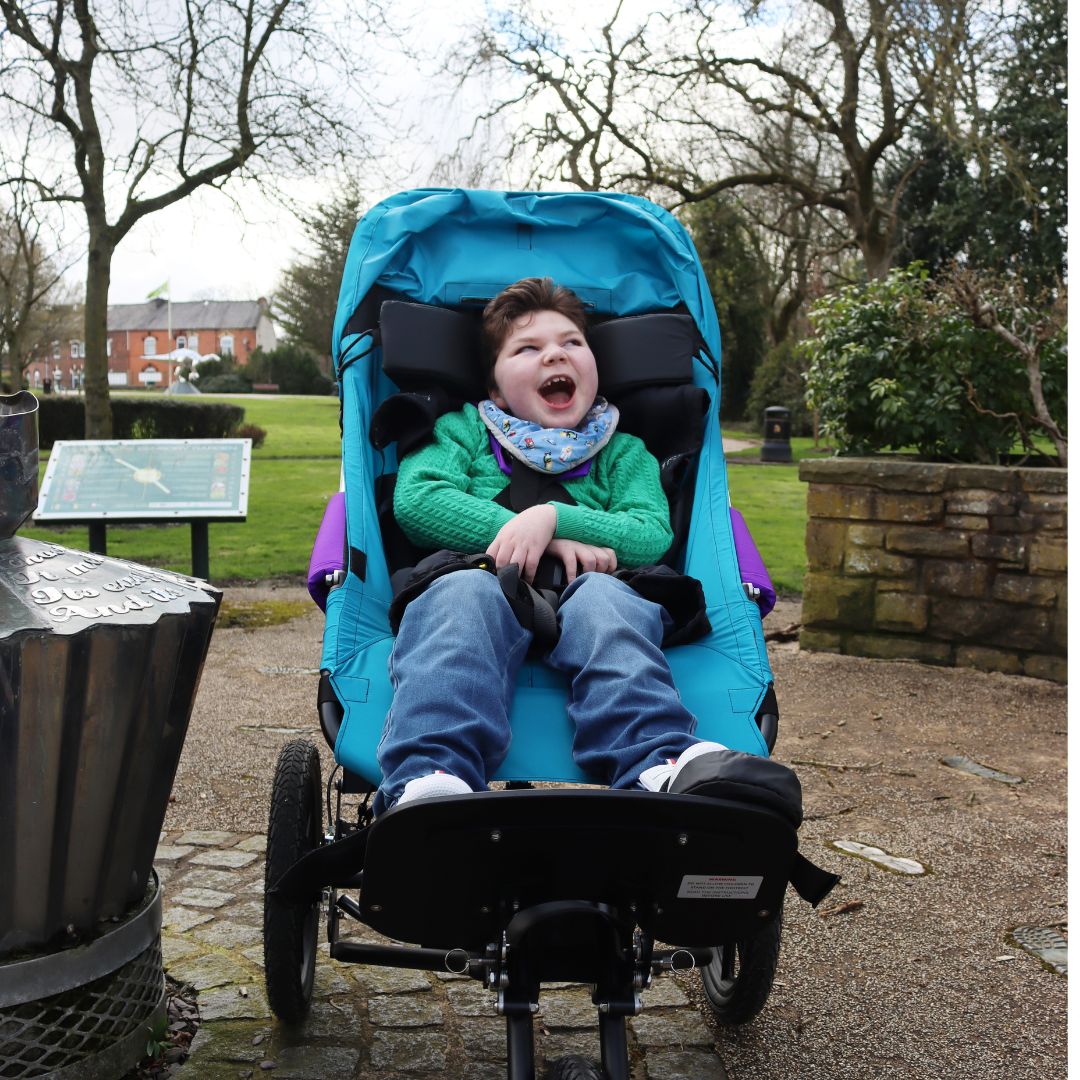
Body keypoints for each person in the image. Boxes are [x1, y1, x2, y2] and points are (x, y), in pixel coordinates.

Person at [374, 277, 726, 813]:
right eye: (527, 348)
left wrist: (553, 517)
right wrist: (532, 536)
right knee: (462, 597)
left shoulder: (623, 450)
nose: (554, 354)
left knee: (609, 606)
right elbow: (419, 501)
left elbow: (651, 532)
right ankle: (431, 775)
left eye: (572, 343)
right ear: (493, 388)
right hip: (479, 584)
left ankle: (658, 760)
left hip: (594, 594)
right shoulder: (462, 431)